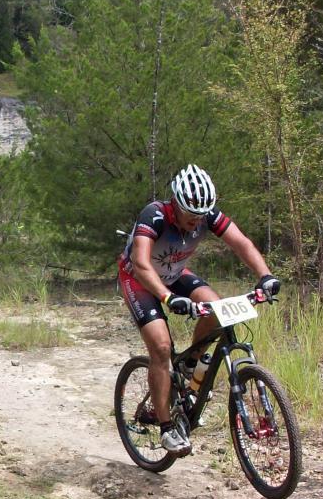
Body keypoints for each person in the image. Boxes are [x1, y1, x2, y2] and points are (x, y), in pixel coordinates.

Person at [118, 164, 281, 455]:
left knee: (217, 309)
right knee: (161, 346)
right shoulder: (154, 215)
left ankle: (189, 364)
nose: (196, 221)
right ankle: (167, 427)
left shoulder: (208, 215)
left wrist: (265, 275)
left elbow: (241, 243)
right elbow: (141, 263)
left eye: (201, 216)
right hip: (139, 279)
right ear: (175, 204)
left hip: (174, 273)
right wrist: (168, 298)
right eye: (190, 215)